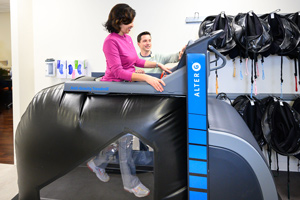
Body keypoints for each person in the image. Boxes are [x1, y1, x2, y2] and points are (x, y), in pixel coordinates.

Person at [87, 3, 171, 198]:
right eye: (129, 22)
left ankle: (97, 163)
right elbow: (117, 72)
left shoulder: (127, 38)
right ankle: (130, 183)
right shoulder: (110, 41)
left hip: (125, 89)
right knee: (125, 138)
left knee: (121, 137)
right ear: (118, 21)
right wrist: (147, 78)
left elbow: (136, 62)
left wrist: (157, 64)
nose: (132, 25)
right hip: (113, 92)